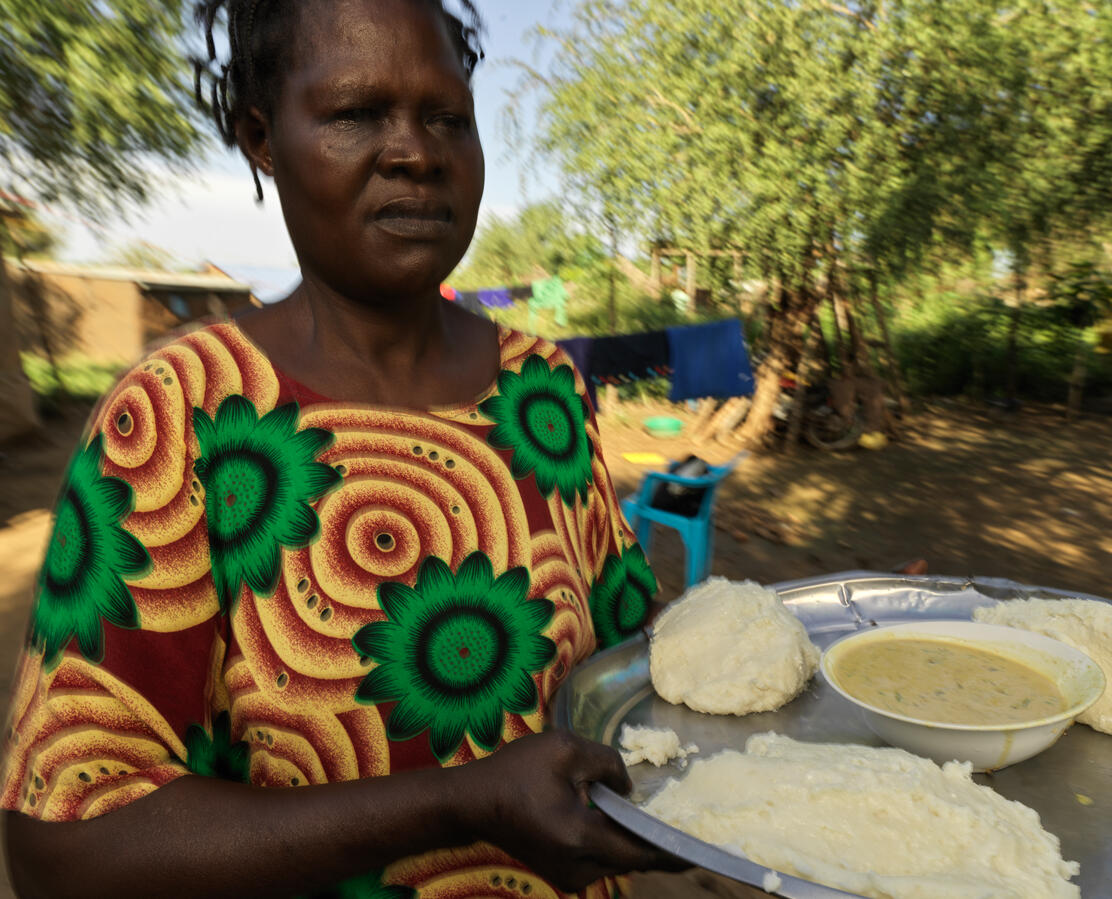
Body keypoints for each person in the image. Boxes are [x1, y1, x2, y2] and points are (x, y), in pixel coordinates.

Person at [0, 1, 686, 896]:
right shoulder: (181, 415)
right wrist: (460, 801)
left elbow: (630, 664)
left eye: (447, 117)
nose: (417, 151)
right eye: (358, 114)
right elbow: (64, 849)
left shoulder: (542, 387)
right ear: (261, 137)